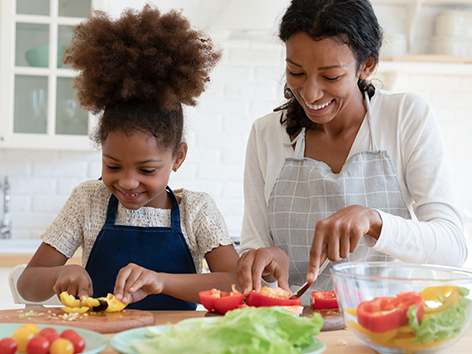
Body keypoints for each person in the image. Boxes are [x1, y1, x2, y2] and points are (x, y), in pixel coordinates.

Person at [237, 0, 467, 304]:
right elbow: (253, 244)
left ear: (367, 66)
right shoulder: (266, 133)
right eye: (296, 72)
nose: (311, 94)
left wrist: (374, 221)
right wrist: (261, 260)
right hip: (294, 329)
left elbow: (452, 246)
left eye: (331, 76)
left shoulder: (404, 116)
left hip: (387, 325)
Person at [17, 4, 239, 310]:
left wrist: (162, 281)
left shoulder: (197, 211)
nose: (127, 181)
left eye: (147, 170)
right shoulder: (87, 201)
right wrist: (62, 273)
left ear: (178, 157)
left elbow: (236, 284)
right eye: (113, 165)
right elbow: (27, 285)